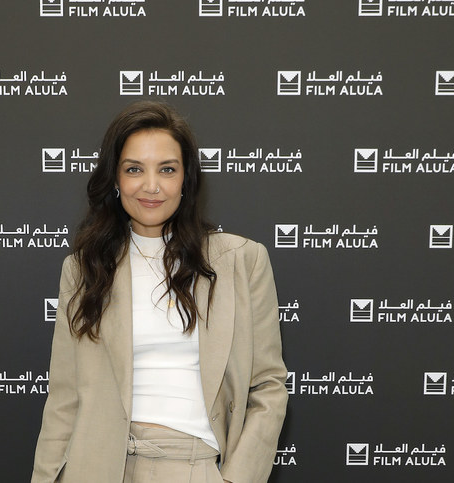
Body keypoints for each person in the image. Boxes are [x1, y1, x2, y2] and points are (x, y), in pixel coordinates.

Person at [31, 100, 288, 483]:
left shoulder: (241, 260)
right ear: (115, 179)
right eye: (134, 169)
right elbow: (64, 396)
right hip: (96, 469)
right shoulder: (85, 268)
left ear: (186, 179)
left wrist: (237, 479)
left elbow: (268, 387)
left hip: (194, 467)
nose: (151, 186)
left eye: (167, 169)